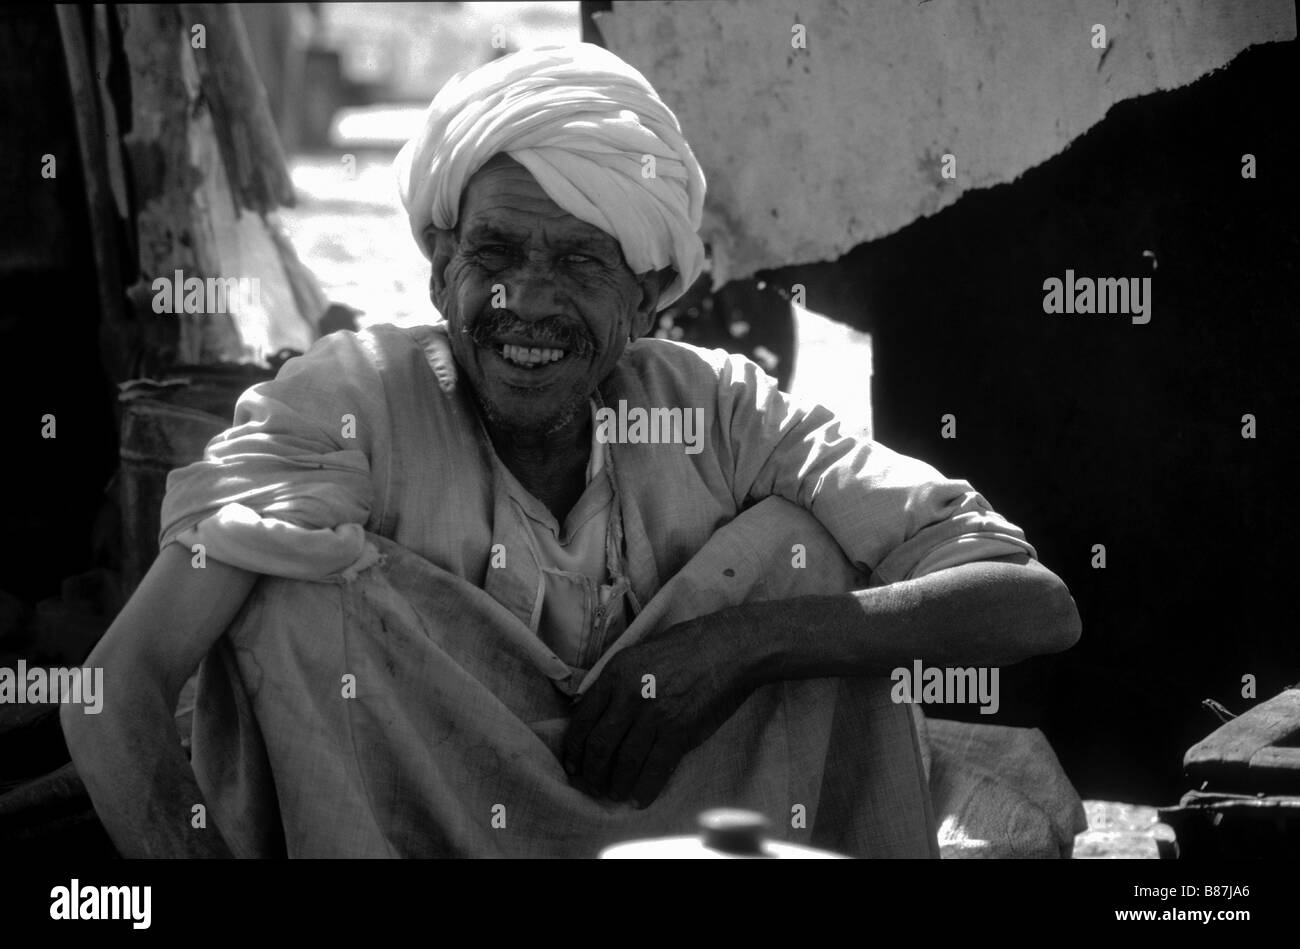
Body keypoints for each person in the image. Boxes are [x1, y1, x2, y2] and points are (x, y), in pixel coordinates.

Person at [62, 44, 1080, 858]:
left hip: (684, 838)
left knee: (803, 549)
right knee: (288, 584)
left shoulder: (718, 411)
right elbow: (118, 687)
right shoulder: (349, 404)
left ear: (646, 299)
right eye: (494, 254)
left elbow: (1030, 601)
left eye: (580, 262)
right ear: (439, 272)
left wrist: (742, 644)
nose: (527, 302)